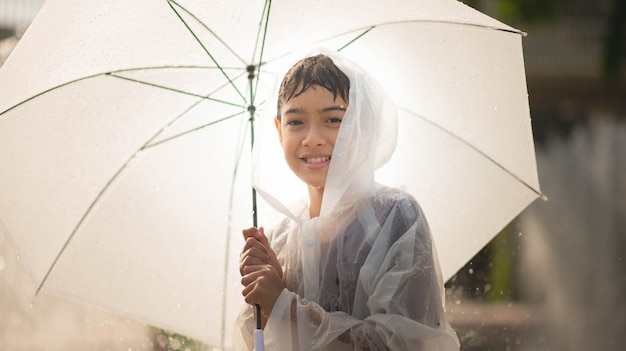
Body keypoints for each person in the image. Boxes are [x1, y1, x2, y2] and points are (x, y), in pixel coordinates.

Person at [236, 49, 459, 350]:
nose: (312, 137)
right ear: (278, 131)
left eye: (333, 119)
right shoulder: (278, 238)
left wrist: (285, 306)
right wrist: (262, 300)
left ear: (363, 126)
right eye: (296, 122)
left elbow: (407, 342)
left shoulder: (394, 218)